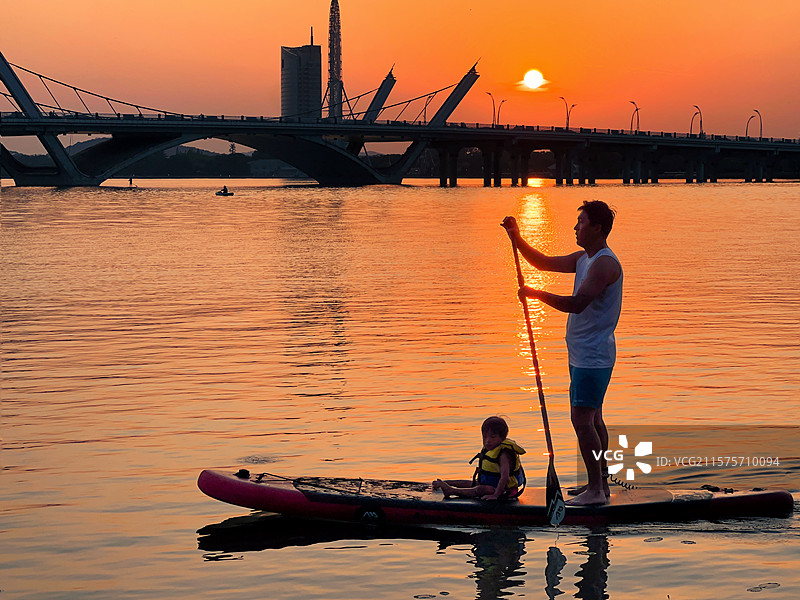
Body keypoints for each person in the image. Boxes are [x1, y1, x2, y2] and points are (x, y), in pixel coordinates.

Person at [502, 201, 622, 506]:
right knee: (593, 419)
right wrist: (516, 238)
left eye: (581, 222)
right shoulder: (584, 259)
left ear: (597, 228)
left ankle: (596, 490)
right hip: (582, 354)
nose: (576, 227)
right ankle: (600, 485)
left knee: (582, 421)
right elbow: (543, 263)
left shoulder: (604, 264)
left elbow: (577, 304)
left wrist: (536, 294)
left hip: (593, 357)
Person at [433, 416, 526, 500]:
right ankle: (446, 483)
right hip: (492, 484)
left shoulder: (503, 455)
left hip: (505, 490)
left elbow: (505, 478)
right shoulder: (492, 449)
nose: (487, 441)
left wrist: (495, 495)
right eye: (485, 437)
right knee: (471, 483)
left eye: (493, 437)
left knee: (481, 489)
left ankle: (451, 491)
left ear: (502, 438)